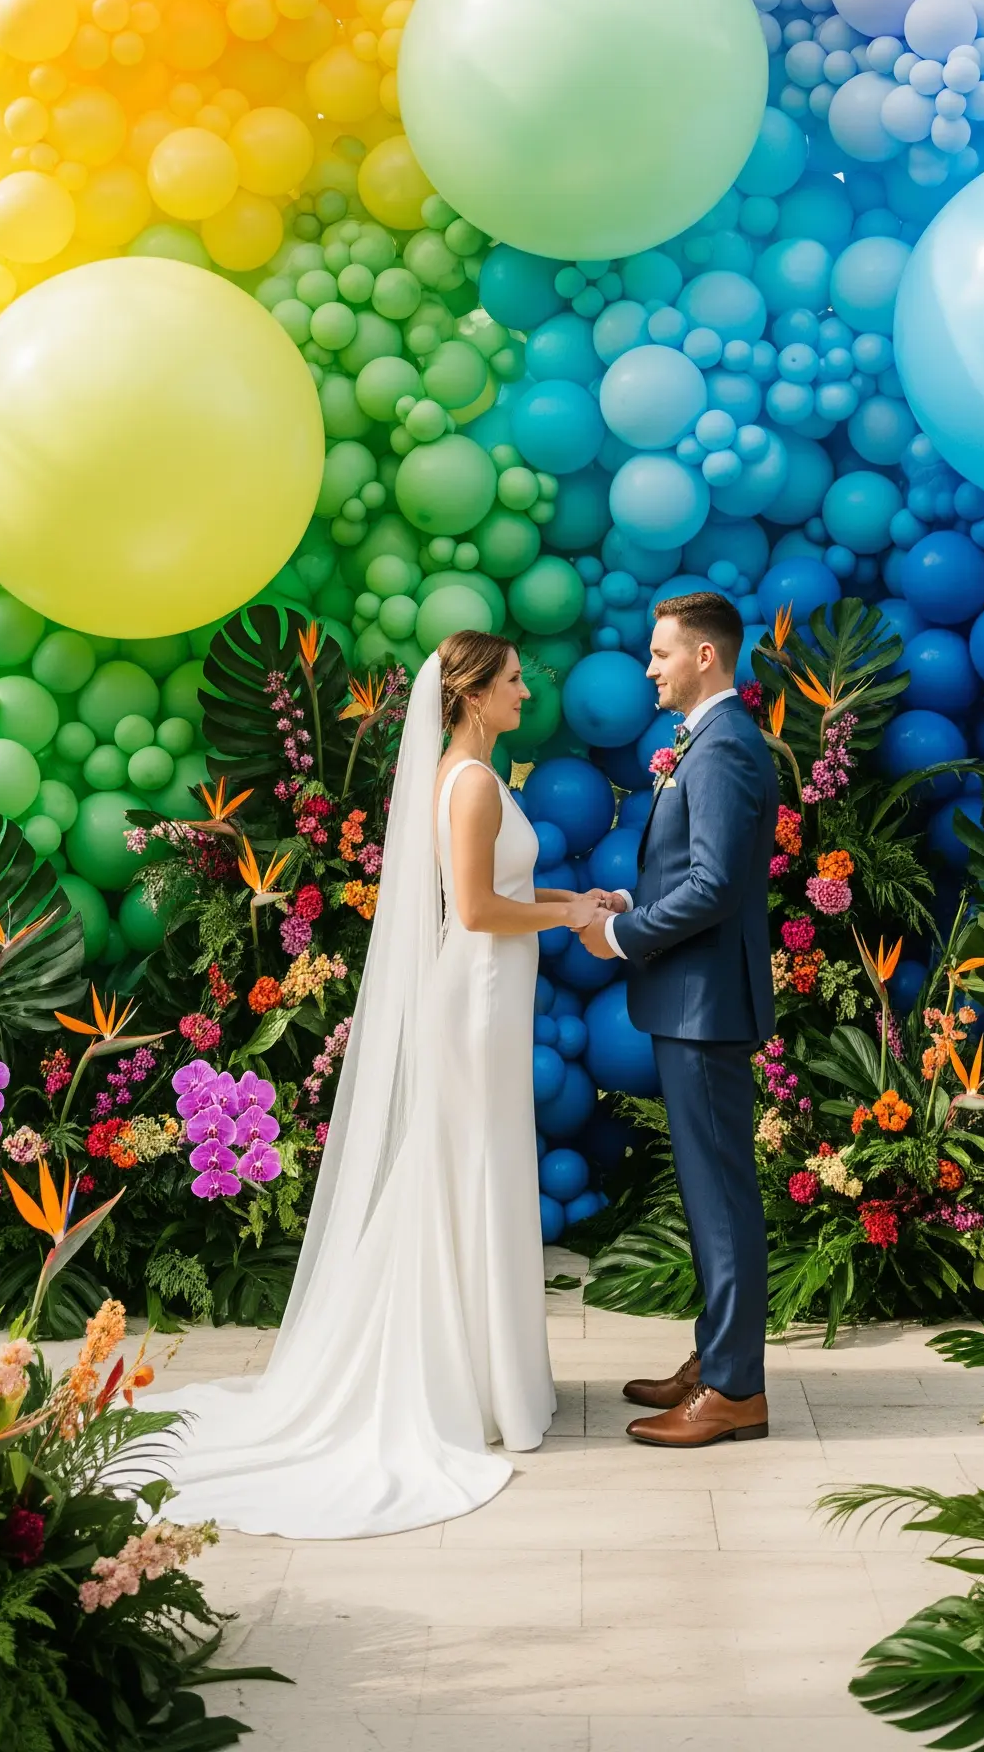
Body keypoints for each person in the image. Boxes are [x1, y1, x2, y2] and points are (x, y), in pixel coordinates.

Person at [163, 630, 618, 1538]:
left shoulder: (469, 774)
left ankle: (491, 1375)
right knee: (471, 1168)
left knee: (473, 1167)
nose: (529, 694)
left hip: (489, 990)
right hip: (480, 994)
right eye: (515, 682)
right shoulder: (475, 782)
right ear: (473, 695)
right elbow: (480, 909)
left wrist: (564, 912)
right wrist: (571, 911)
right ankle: (467, 1382)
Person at [577, 589, 778, 1448]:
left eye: (660, 653)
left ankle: (735, 1389)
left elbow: (718, 886)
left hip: (704, 1006)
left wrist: (621, 934)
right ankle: (716, 1355)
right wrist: (632, 896)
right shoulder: (707, 740)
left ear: (705, 656)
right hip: (692, 998)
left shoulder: (726, 744)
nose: (649, 667)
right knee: (706, 1195)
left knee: (722, 1197)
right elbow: (694, 875)